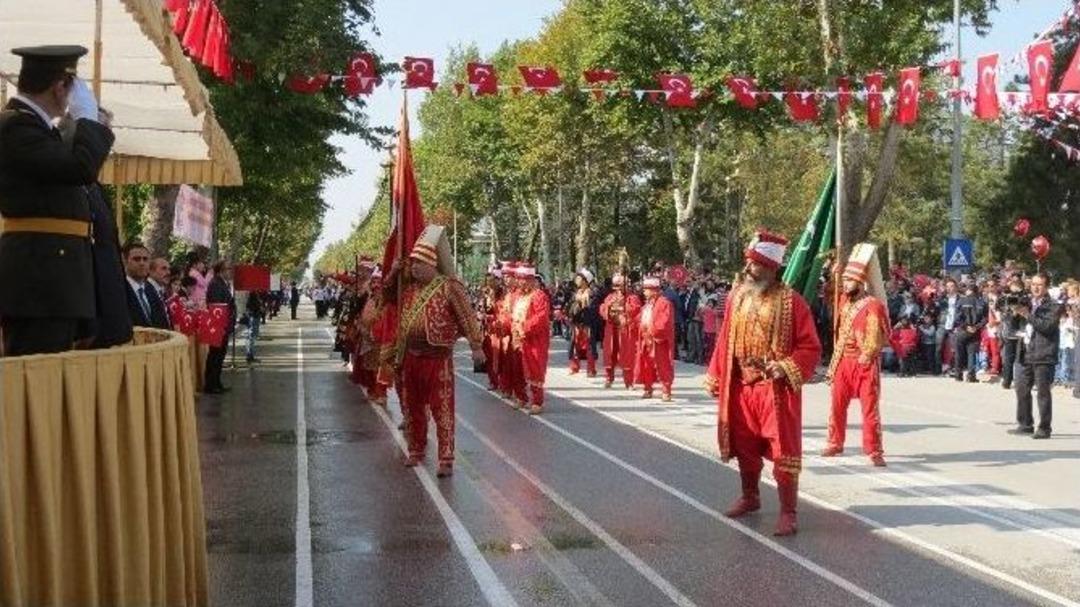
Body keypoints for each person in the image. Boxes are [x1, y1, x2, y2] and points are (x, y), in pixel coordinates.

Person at [0, 46, 115, 356]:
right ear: (60, 86)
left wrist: (85, 127)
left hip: (54, 279)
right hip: (39, 282)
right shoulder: (15, 126)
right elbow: (80, 168)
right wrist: (87, 121)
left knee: (49, 383)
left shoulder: (35, 129)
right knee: (36, 383)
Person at [705, 230, 821, 537]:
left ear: (771, 267)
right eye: (748, 262)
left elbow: (810, 346)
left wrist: (784, 367)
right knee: (744, 445)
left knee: (782, 449)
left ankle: (788, 511)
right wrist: (716, 374)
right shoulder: (737, 297)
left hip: (774, 389)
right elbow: (725, 338)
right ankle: (750, 496)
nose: (748, 269)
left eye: (754, 264)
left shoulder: (792, 303)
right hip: (742, 386)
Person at [391, 226, 485, 477]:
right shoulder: (409, 290)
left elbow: (466, 315)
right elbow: (387, 297)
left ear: (432, 264)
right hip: (411, 357)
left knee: (442, 408)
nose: (414, 268)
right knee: (412, 407)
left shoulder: (449, 287)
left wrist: (476, 346)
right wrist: (394, 272)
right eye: (412, 265)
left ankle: (445, 457)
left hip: (438, 358)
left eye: (419, 263)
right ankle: (416, 449)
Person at [55, 113, 131, 349]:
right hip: (81, 311)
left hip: (107, 309)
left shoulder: (95, 187)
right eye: (100, 134)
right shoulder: (64, 183)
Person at [823, 243, 890, 467]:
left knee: (869, 408)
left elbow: (875, 335)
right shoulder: (844, 301)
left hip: (864, 363)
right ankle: (835, 442)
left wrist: (868, 353)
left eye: (849, 281)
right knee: (836, 405)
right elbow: (830, 294)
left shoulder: (873, 305)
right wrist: (835, 271)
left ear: (861, 283)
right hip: (843, 361)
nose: (845, 285)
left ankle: (874, 449)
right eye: (844, 281)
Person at [1009, 273, 1061, 439]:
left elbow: (1047, 327)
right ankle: (1025, 424)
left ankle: (1044, 428)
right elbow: (1013, 326)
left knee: (1043, 393)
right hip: (1025, 350)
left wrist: (1027, 315)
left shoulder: (1054, 305)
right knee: (1021, 388)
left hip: (1043, 353)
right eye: (1033, 284)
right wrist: (1014, 314)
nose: (1035, 288)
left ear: (1046, 287)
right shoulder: (1027, 303)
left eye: (1039, 285)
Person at [510, 264, 551, 414]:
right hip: (518, 338)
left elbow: (541, 317)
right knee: (518, 368)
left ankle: (537, 401)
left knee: (535, 369)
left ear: (530, 280)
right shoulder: (520, 296)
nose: (520, 283)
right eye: (518, 279)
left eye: (522, 280)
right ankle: (521, 397)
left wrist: (525, 327)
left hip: (534, 339)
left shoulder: (539, 295)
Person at [635, 276, 675, 402]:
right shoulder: (647, 305)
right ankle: (648, 388)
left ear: (653, 290)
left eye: (646, 290)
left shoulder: (664, 303)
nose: (644, 292)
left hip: (658, 339)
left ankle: (666, 390)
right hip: (646, 338)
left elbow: (665, 321)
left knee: (663, 365)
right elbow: (639, 318)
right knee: (646, 364)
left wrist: (652, 330)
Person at [599, 273, 642, 389]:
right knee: (610, 353)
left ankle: (629, 381)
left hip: (625, 329)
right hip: (612, 328)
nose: (619, 288)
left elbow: (636, 309)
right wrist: (609, 308)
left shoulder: (632, 297)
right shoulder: (610, 297)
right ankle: (609, 378)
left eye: (621, 286)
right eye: (616, 286)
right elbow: (602, 309)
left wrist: (624, 310)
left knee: (627, 355)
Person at [123, 241, 171, 330]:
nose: (142, 263)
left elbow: (162, 323)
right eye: (136, 259)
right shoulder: (119, 290)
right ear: (125, 261)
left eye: (145, 259)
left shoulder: (151, 290)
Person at [204, 261, 236, 394]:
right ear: (220, 270)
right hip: (219, 325)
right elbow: (216, 305)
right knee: (215, 356)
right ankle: (211, 384)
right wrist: (221, 325)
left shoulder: (223, 283)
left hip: (224, 324)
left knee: (220, 356)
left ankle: (217, 382)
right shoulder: (216, 284)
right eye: (228, 269)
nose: (231, 272)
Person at [952, 280, 988, 383]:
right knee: (972, 354)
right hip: (975, 331)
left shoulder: (961, 301)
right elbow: (985, 319)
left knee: (959, 353)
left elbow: (957, 318)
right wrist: (976, 327)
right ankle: (971, 376)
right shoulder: (982, 302)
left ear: (968, 290)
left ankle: (958, 375)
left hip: (962, 330)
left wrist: (966, 326)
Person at [568, 268, 599, 376]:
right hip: (577, 323)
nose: (577, 280)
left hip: (587, 323)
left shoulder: (592, 293)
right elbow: (570, 306)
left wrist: (582, 307)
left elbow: (594, 309)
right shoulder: (575, 293)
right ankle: (574, 367)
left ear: (585, 281)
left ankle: (591, 369)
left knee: (589, 345)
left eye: (579, 278)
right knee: (574, 345)